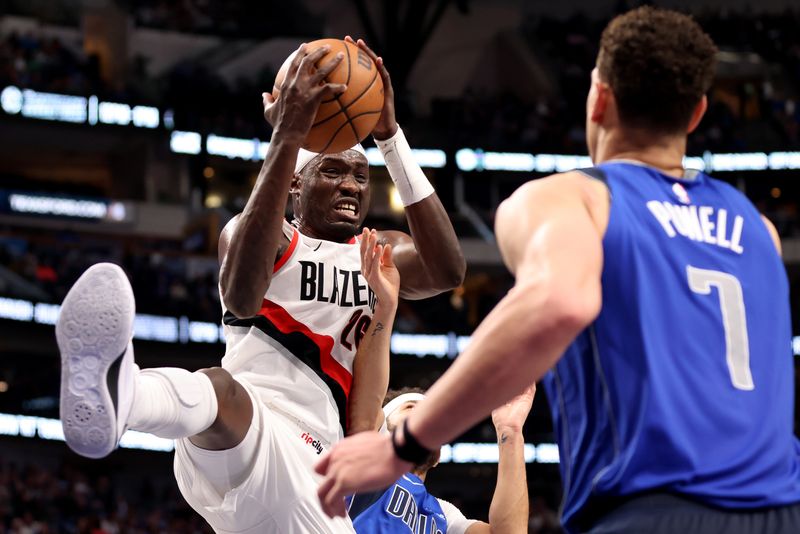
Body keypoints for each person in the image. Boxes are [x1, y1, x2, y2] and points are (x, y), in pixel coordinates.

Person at [316, 7, 800, 533]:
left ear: (599, 100)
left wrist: (408, 442)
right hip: (778, 510)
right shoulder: (760, 231)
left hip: (652, 508)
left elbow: (562, 300)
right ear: (698, 113)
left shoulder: (572, 199)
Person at [56, 37, 465, 533]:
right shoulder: (261, 235)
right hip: (237, 434)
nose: (353, 186)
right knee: (223, 389)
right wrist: (288, 136)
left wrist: (391, 137)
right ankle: (117, 396)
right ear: (296, 185)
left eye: (361, 176)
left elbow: (448, 271)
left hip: (314, 462)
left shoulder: (378, 252)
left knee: (225, 397)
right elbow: (242, 298)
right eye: (334, 171)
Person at [347, 387, 534, 534]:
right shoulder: (360, 459)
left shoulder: (444, 514)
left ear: (438, 457)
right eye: (411, 407)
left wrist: (510, 431)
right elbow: (369, 398)